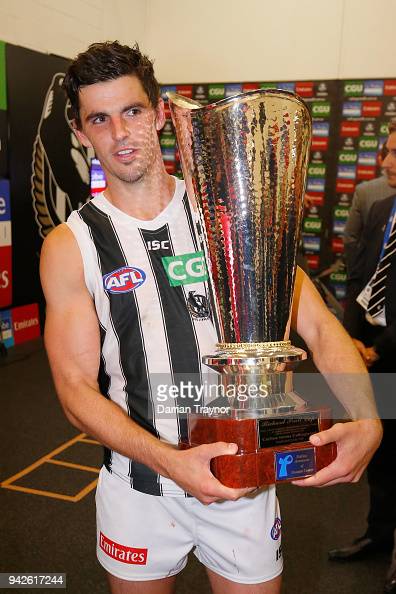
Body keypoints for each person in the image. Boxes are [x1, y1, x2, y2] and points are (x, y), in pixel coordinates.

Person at [40, 41, 382, 594]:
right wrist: (171, 463)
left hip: (242, 480)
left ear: (160, 112)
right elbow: (75, 387)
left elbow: (318, 327)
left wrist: (368, 418)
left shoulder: (232, 210)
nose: (120, 134)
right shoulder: (70, 245)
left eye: (132, 111)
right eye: (99, 120)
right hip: (140, 487)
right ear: (81, 135)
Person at [328, 124, 396, 591]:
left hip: (387, 349)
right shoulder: (382, 207)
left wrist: (379, 347)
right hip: (372, 353)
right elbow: (363, 279)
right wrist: (351, 340)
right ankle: (379, 535)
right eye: (387, 151)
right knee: (384, 453)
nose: (386, 162)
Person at [343, 140, 395, 276]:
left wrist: (355, 272)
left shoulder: (364, 190)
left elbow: (350, 239)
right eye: (389, 153)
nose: (386, 164)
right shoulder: (379, 207)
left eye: (395, 153)